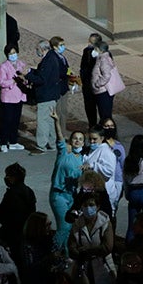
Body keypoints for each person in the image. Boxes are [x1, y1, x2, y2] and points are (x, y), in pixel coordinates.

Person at [49, 109, 86, 251]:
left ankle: (64, 253)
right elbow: (59, 137)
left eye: (80, 139)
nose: (77, 141)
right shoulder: (64, 152)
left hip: (71, 196)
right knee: (64, 226)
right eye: (75, 138)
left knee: (69, 227)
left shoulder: (84, 159)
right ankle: (54, 251)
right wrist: (57, 121)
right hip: (58, 194)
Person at [26, 36, 69, 151]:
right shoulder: (53, 58)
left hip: (46, 94)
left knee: (43, 121)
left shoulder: (48, 60)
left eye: (37, 49)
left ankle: (41, 145)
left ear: (42, 49)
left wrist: (28, 75)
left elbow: (42, 79)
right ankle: (52, 143)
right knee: (50, 120)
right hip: (52, 94)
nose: (37, 51)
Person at [0, 162, 37, 264]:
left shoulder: (11, 194)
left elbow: (0, 213)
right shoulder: (29, 191)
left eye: (8, 176)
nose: (6, 178)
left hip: (12, 234)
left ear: (13, 178)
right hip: (25, 232)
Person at [0, 44, 30, 153]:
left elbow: (26, 76)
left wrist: (25, 80)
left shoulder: (21, 64)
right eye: (10, 53)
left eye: (14, 53)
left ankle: (13, 141)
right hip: (8, 97)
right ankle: (3, 142)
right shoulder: (3, 66)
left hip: (19, 96)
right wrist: (14, 81)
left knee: (16, 120)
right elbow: (1, 82)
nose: (13, 55)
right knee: (7, 120)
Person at [90, 41, 123, 125]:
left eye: (95, 49)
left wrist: (97, 84)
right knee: (104, 114)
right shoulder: (102, 57)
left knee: (105, 115)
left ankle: (108, 132)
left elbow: (106, 75)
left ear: (98, 49)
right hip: (101, 90)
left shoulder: (103, 59)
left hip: (103, 91)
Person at [100, 118, 126, 216]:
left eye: (111, 126)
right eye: (106, 126)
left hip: (118, 180)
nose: (109, 128)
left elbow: (123, 164)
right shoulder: (100, 146)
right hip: (104, 180)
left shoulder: (119, 146)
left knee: (113, 209)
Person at [81, 33, 103, 128]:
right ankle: (92, 125)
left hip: (99, 85)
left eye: (91, 42)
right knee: (90, 107)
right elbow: (83, 66)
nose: (89, 43)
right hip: (88, 84)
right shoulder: (86, 51)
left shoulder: (104, 53)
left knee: (102, 107)